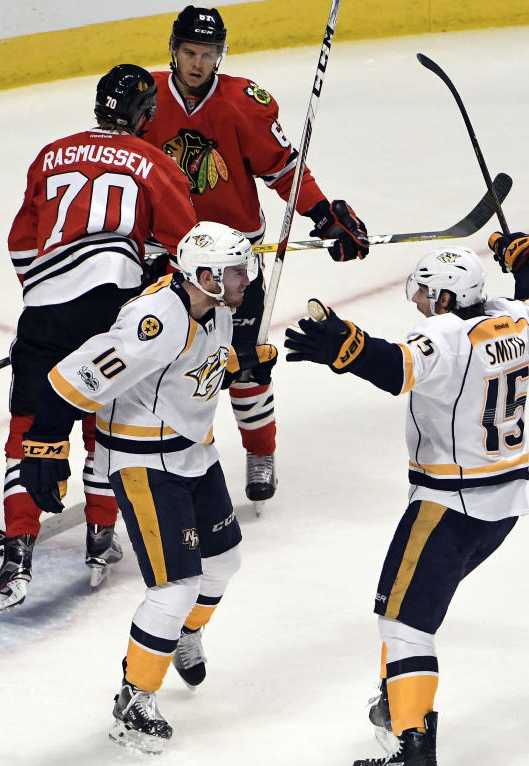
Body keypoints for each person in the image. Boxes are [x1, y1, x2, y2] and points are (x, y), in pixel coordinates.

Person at [283, 232, 529, 766]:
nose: (416, 299)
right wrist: (528, 259)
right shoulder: (521, 321)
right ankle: (398, 700)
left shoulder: (445, 332)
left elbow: (398, 369)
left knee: (403, 623)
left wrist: (347, 346)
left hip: (448, 503)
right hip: (503, 504)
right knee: (406, 615)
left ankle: (414, 746)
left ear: (445, 298)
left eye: (425, 291)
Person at [17, 222, 276, 752]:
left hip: (192, 451)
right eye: (234, 271)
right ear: (203, 276)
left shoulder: (216, 309)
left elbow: (199, 368)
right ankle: (135, 698)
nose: (244, 279)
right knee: (174, 587)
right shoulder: (154, 321)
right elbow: (75, 379)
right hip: (143, 461)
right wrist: (43, 446)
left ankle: (182, 633)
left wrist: (240, 362)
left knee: (223, 563)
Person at [0, 63, 198, 613]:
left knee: (28, 427)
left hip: (42, 309)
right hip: (110, 304)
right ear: (145, 115)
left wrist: (48, 300)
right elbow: (187, 249)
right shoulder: (152, 161)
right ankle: (101, 533)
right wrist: (152, 271)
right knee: (104, 416)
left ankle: (16, 550)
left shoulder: (51, 153)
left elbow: (20, 243)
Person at [141, 5, 370, 506]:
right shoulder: (145, 97)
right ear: (173, 51)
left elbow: (283, 168)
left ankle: (260, 453)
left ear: (219, 56)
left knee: (246, 364)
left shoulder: (243, 103)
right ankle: (173, 458)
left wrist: (321, 212)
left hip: (234, 261)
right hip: (165, 257)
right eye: (189, 52)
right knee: (166, 366)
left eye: (207, 54)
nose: (197, 63)